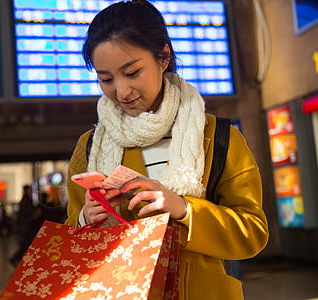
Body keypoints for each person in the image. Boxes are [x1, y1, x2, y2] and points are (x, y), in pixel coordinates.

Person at [65, 1, 269, 299]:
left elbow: (252, 232)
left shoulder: (216, 136)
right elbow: (71, 238)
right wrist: (85, 218)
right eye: (106, 79)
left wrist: (186, 210)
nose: (121, 91)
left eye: (132, 73)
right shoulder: (89, 146)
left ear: (163, 57)